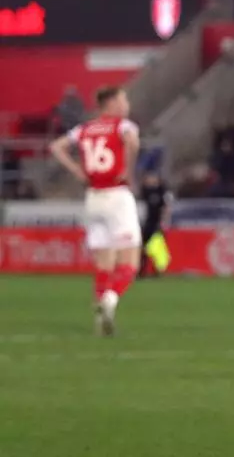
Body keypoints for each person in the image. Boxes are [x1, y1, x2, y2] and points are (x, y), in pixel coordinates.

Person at [48, 87, 141, 336]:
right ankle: (110, 301)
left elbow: (56, 147)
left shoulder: (85, 129)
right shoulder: (123, 125)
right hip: (117, 196)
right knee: (130, 262)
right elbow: (133, 141)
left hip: (93, 198)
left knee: (103, 262)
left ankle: (100, 322)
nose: (126, 103)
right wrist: (129, 169)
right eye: (123, 98)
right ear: (111, 103)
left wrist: (78, 171)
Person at [138, 171, 173, 277]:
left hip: (157, 224)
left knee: (156, 248)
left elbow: (166, 207)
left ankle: (157, 270)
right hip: (147, 223)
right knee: (143, 248)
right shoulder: (146, 191)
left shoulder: (161, 191)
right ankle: (141, 270)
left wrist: (165, 222)